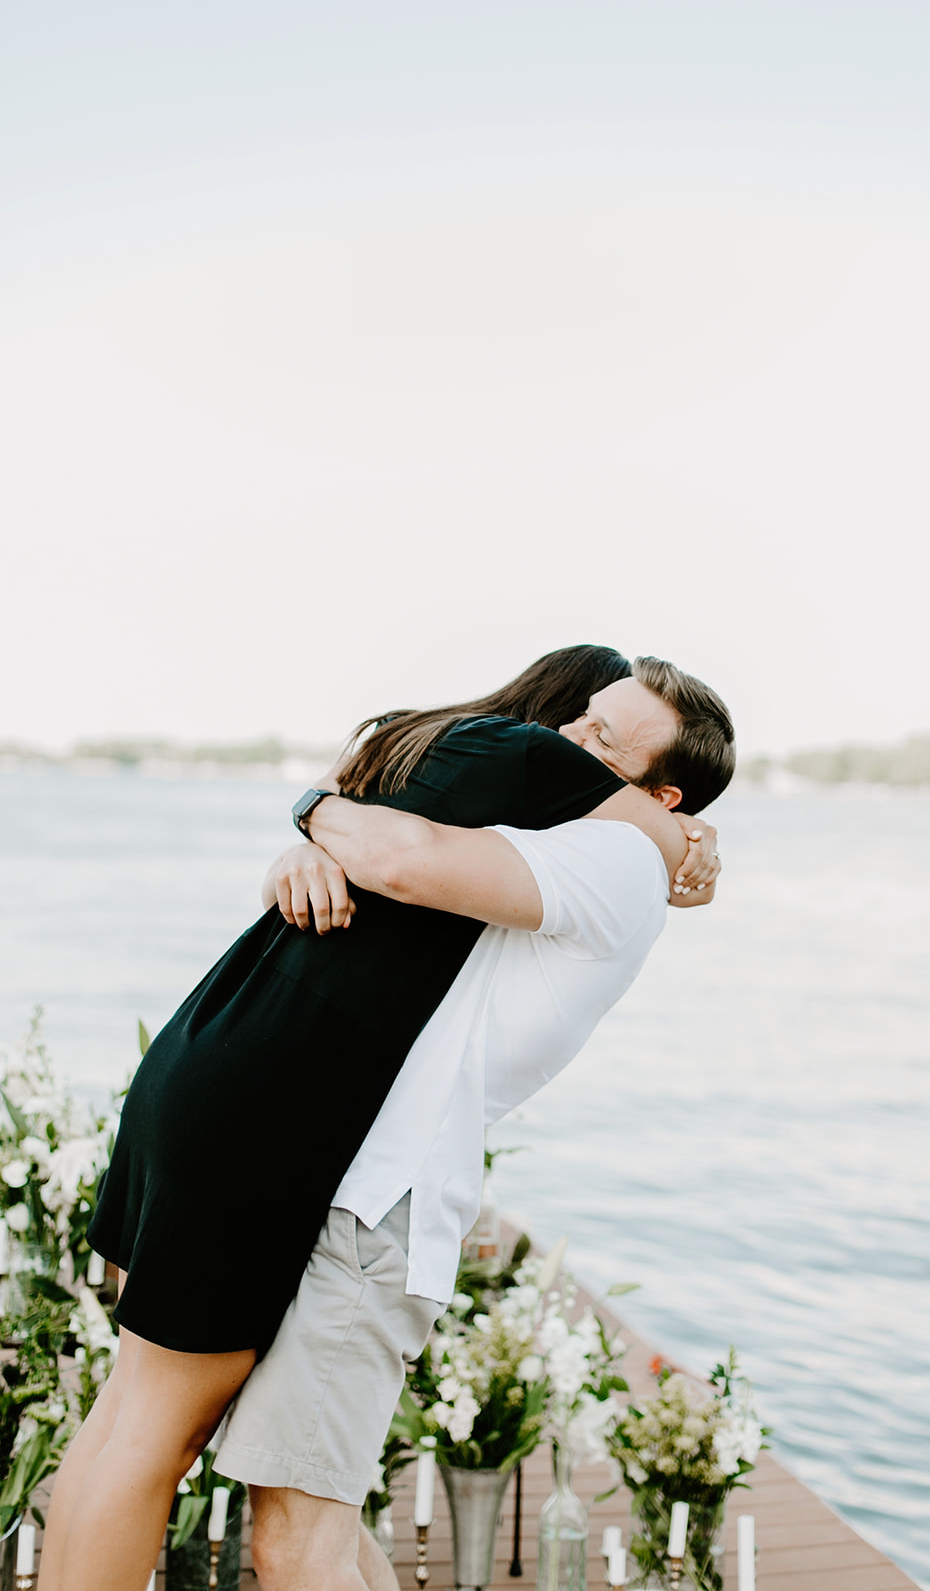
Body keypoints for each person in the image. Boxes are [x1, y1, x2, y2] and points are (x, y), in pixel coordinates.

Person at [38, 647, 731, 1591]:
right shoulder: (559, 832)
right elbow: (401, 859)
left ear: (666, 799)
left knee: (231, 1480)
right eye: (578, 715)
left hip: (368, 1192)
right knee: (223, 1472)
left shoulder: (610, 850)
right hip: (328, 1171)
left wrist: (318, 811)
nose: (566, 739)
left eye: (602, 737)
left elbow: (406, 857)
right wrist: (312, 839)